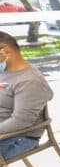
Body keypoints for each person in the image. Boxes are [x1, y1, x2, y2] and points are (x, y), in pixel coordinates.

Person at [0, 32, 53, 160]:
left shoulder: (30, 82)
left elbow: (20, 122)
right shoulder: (6, 71)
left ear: (5, 51)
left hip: (16, 138)